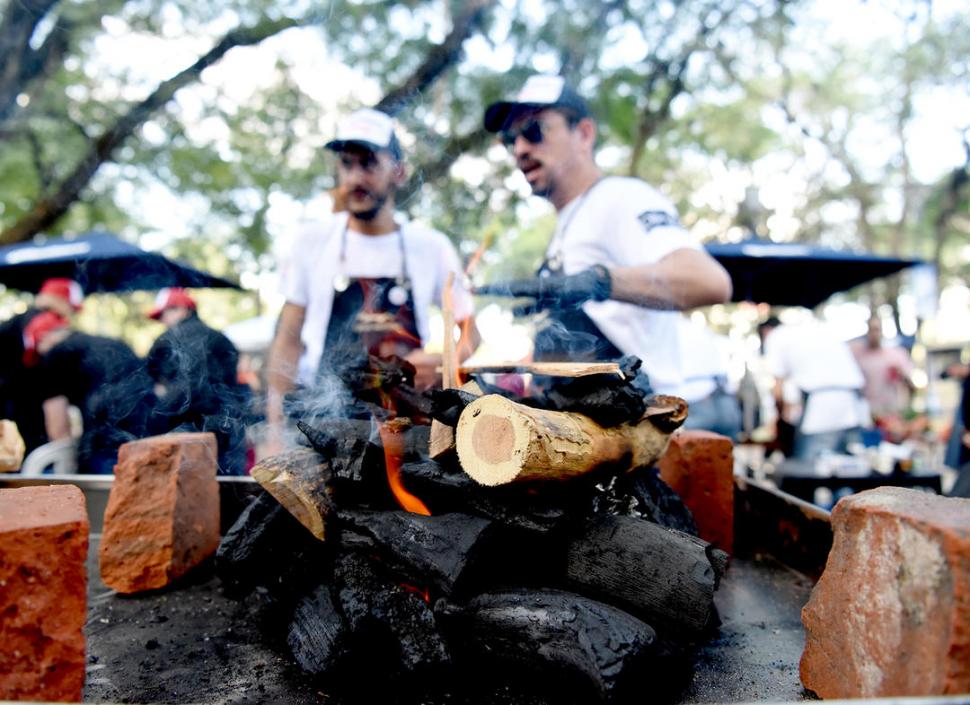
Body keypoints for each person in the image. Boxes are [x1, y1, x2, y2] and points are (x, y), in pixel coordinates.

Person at [476, 75, 732, 398]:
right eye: (511, 140)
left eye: (533, 131)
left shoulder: (620, 198)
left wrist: (598, 282)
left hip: (638, 424)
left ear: (583, 134)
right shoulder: (570, 222)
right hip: (588, 428)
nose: (521, 149)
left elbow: (709, 281)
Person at [264, 108, 478, 453]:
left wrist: (441, 363)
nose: (355, 177)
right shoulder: (309, 243)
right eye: (347, 164)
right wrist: (274, 433)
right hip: (327, 419)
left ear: (398, 171)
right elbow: (287, 342)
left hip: (406, 423)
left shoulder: (431, 247)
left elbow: (471, 334)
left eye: (368, 164)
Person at [22, 311, 154, 474]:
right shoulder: (112, 343)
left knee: (104, 490)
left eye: (38, 351)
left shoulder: (55, 353)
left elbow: (57, 425)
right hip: (147, 429)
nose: (40, 357)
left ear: (43, 337)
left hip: (105, 436)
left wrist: (66, 464)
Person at [145, 287, 249, 474]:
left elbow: (154, 383)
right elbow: (233, 382)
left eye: (164, 314)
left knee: (187, 486)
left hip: (181, 427)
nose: (163, 321)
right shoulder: (222, 339)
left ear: (182, 309)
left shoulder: (164, 340)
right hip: (225, 426)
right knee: (228, 485)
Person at [758, 315, 869, 460]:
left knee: (811, 474)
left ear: (766, 331)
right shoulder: (814, 330)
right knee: (852, 472)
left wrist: (780, 423)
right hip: (855, 408)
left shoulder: (776, 336)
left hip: (821, 413)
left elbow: (777, 392)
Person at [0, 278, 84, 454]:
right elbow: (52, 387)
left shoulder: (14, 322)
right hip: (27, 424)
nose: (71, 315)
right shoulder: (49, 324)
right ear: (61, 301)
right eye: (72, 308)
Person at [850, 314, 915, 438]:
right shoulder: (858, 356)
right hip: (867, 416)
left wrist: (901, 375)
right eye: (871, 329)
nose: (874, 334)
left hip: (893, 414)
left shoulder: (896, 355)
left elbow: (912, 386)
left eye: (877, 329)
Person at [676, 317, 742, 439]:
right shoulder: (698, 328)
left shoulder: (666, 328)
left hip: (693, 399)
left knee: (690, 454)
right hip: (722, 396)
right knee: (725, 453)